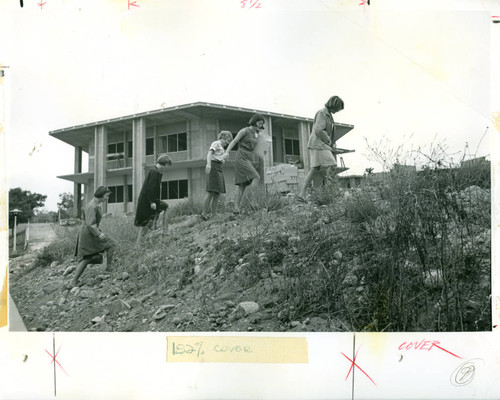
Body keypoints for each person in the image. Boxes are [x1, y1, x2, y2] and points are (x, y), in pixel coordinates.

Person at [298, 96, 344, 201]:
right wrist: (328, 140)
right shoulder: (322, 113)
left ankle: (302, 194)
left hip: (318, 144)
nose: (338, 111)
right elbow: (318, 130)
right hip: (318, 144)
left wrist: (330, 143)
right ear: (334, 105)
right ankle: (331, 192)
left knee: (315, 169)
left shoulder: (328, 115)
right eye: (338, 108)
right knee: (332, 164)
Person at [72, 186, 115, 286]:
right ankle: (108, 268)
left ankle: (74, 280)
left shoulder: (95, 204)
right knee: (110, 244)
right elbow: (90, 223)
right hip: (89, 234)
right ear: (101, 195)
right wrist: (99, 234)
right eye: (106, 196)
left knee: (88, 257)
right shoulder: (92, 206)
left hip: (90, 232)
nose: (107, 198)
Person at [224, 113, 265, 213]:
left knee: (242, 185)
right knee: (256, 177)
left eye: (262, 124)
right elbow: (234, 142)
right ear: (255, 121)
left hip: (249, 157)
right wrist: (226, 152)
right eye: (259, 123)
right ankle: (253, 202)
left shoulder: (257, 133)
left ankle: (236, 208)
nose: (260, 125)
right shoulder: (245, 130)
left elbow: (257, 147)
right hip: (241, 156)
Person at [135, 154, 173, 243]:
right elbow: (150, 188)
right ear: (164, 163)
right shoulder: (154, 172)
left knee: (150, 221)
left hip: (151, 200)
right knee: (147, 223)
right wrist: (152, 202)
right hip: (148, 201)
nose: (166, 168)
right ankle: (165, 231)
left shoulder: (156, 172)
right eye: (167, 166)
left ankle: (162, 231)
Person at [201, 130, 233, 220]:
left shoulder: (222, 149)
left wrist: (224, 157)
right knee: (211, 191)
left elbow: (220, 158)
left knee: (217, 192)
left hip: (219, 168)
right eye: (227, 140)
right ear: (223, 138)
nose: (228, 143)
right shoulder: (216, 143)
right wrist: (208, 164)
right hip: (214, 166)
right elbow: (210, 153)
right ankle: (204, 213)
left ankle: (213, 213)